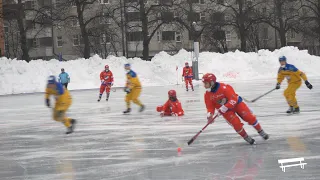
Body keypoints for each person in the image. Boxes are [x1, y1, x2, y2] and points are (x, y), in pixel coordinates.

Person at [202, 73, 269, 145]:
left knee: (249, 117)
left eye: (206, 83)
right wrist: (210, 114)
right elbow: (210, 106)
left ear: (212, 83)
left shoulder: (225, 88)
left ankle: (260, 131)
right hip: (226, 111)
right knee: (236, 124)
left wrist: (225, 107)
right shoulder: (207, 95)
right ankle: (246, 137)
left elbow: (233, 99)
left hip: (237, 104)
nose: (204, 86)